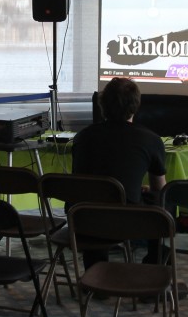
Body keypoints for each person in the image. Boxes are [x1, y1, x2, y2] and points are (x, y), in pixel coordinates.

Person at [71, 77, 168, 267]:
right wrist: (136, 190)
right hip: (127, 222)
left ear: (102, 106)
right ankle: (154, 268)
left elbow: (81, 180)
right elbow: (160, 188)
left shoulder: (83, 137)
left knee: (94, 199)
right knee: (164, 201)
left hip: (83, 221)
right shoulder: (151, 140)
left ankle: (95, 272)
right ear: (135, 106)